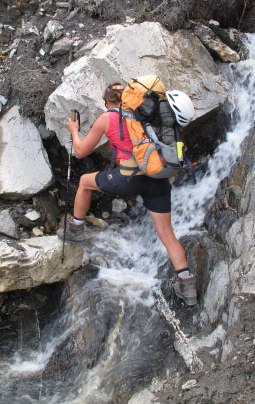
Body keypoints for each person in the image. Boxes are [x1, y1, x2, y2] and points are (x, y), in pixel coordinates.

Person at [57, 81, 197, 306]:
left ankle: (75, 229)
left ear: (107, 102)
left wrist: (74, 130)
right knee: (167, 234)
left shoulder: (108, 118)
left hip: (128, 178)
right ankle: (187, 286)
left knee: (84, 182)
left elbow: (81, 151)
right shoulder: (146, 117)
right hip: (157, 179)